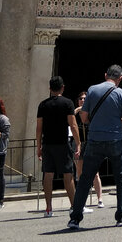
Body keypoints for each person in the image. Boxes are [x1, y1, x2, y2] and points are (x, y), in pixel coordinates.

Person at [68, 65, 122, 230]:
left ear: (105, 75)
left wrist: (94, 122)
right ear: (121, 77)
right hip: (115, 138)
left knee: (85, 179)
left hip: (95, 138)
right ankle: (121, 216)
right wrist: (119, 121)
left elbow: (83, 117)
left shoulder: (92, 90)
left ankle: (75, 218)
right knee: (121, 178)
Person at [36, 76, 81, 217]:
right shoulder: (67, 103)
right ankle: (74, 206)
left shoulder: (42, 105)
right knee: (68, 174)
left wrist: (39, 146)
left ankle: (48, 208)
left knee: (48, 174)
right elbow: (73, 125)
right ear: (63, 87)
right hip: (62, 142)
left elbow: (39, 128)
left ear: (50, 89)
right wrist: (78, 143)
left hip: (48, 143)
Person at [74, 90, 103, 210]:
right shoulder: (75, 114)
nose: (83, 100)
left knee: (95, 173)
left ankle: (100, 198)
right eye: (81, 98)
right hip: (79, 144)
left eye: (85, 99)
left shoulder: (91, 112)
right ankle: (82, 199)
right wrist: (75, 111)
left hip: (91, 144)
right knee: (80, 172)